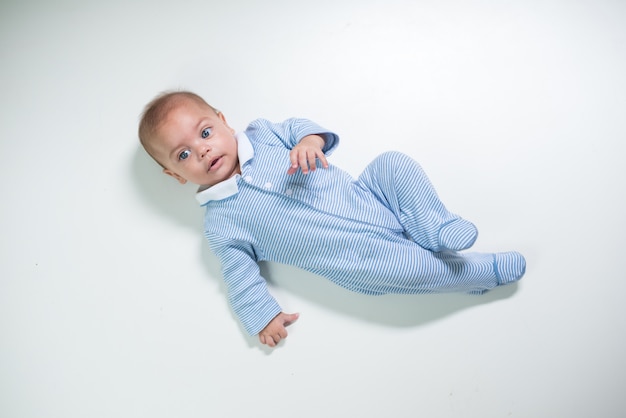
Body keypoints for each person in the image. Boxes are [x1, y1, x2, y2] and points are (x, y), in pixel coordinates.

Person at [138, 91, 526, 347]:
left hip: (370, 196)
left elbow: (300, 128)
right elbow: (238, 275)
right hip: (358, 260)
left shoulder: (264, 135)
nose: (203, 151)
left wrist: (309, 142)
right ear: (175, 176)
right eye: (183, 155)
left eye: (205, 132)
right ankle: (479, 274)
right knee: (412, 269)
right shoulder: (222, 224)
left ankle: (436, 225)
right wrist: (261, 315)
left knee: (393, 164)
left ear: (223, 121)